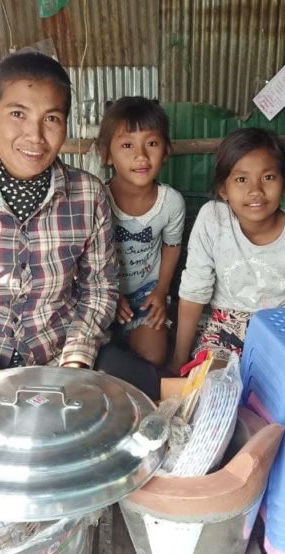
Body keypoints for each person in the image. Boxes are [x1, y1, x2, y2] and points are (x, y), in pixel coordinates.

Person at [0, 52, 159, 398]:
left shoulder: (87, 194)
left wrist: (74, 361)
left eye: (51, 118)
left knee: (145, 402)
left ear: (65, 125)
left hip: (62, 359)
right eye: (17, 114)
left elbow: (100, 288)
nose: (35, 135)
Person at [170, 128, 285, 373]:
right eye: (241, 179)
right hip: (224, 331)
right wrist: (177, 361)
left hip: (284, 332)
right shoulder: (213, 219)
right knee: (214, 392)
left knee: (275, 394)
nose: (256, 190)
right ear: (223, 190)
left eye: (268, 177)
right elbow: (194, 292)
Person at [97, 97, 185, 367]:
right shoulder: (97, 198)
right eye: (127, 145)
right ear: (107, 155)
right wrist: (110, 295)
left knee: (153, 356)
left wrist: (161, 290)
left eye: (152, 143)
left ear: (166, 150)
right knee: (98, 361)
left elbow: (171, 246)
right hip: (102, 293)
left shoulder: (170, 202)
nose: (141, 156)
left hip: (148, 294)